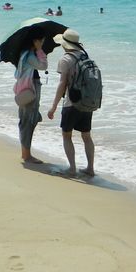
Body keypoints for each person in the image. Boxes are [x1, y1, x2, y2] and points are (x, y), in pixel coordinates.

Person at [47, 29, 95, 177]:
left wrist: (53, 106)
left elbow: (62, 84)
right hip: (86, 102)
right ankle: (90, 168)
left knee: (66, 135)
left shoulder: (65, 59)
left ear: (65, 44)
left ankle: (72, 169)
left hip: (71, 103)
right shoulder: (85, 56)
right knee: (86, 136)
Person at [15, 34, 48, 164]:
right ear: (35, 41)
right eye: (42, 40)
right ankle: (26, 155)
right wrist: (39, 50)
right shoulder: (29, 56)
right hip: (30, 89)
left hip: (26, 89)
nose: (43, 42)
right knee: (28, 120)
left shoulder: (24, 53)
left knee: (27, 119)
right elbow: (43, 66)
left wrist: (38, 50)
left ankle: (25, 152)